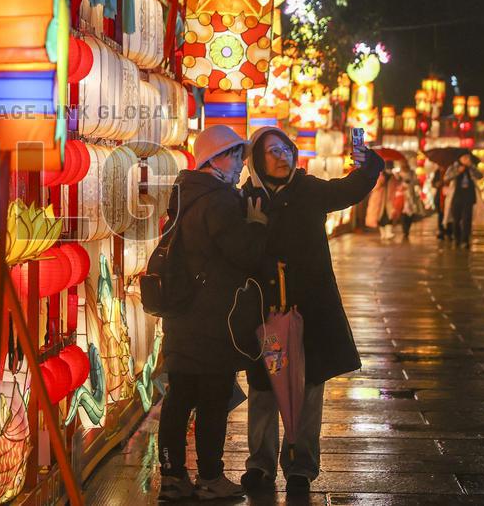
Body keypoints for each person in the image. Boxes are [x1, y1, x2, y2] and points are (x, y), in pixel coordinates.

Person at [239, 127, 383, 495]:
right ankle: (260, 463)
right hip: (268, 313)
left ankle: (301, 467)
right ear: (257, 160)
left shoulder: (309, 190)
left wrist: (366, 167)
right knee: (265, 389)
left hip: (311, 313)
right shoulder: (248, 198)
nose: (282, 156)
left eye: (285, 149)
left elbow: (348, 191)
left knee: (308, 389)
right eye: (272, 151)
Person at [158, 125, 268, 502]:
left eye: (240, 154)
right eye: (234, 154)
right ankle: (210, 476)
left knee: (179, 396)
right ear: (212, 159)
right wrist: (255, 225)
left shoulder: (186, 193)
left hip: (182, 316)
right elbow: (244, 254)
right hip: (212, 319)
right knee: (212, 400)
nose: (240, 163)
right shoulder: (219, 201)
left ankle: (172, 476)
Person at [443, 153, 484, 249]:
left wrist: (471, 167)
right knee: (456, 219)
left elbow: (480, 176)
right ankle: (457, 238)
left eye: (468, 158)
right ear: (460, 158)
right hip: (456, 197)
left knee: (467, 219)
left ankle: (465, 240)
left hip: (468, 197)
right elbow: (446, 178)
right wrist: (458, 171)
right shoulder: (453, 167)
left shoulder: (472, 167)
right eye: (464, 157)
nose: (467, 159)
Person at [366, 161, 402, 240]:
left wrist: (399, 178)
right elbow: (374, 187)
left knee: (389, 216)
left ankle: (388, 233)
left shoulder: (392, 177)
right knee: (379, 217)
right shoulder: (379, 176)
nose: (389, 170)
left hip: (389, 200)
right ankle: (383, 234)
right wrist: (382, 182)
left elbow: (396, 185)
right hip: (379, 200)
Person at [398, 167, 423, 239]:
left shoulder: (412, 173)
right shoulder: (399, 174)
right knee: (403, 214)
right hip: (402, 198)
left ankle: (407, 229)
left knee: (410, 214)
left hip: (411, 198)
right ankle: (405, 230)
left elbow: (416, 183)